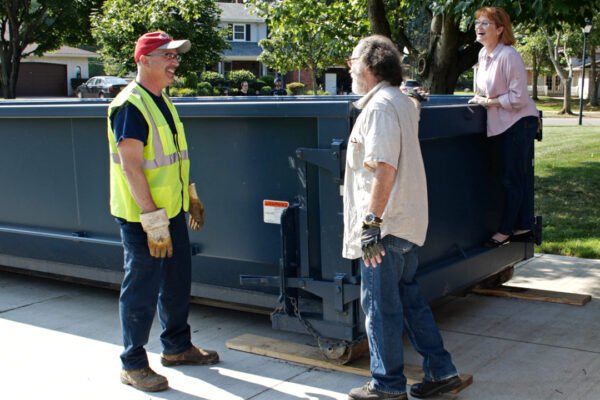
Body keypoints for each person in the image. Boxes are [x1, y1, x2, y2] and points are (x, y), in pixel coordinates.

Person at [343, 35, 461, 400]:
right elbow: (407, 111)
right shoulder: (401, 103)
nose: (348, 66)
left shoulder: (379, 108)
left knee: (380, 308)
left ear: (367, 66)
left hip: (385, 228)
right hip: (406, 224)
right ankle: (441, 371)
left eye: (352, 60)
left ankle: (387, 385)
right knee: (409, 300)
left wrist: (370, 224)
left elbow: (385, 168)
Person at [107, 31, 219, 393]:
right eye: (166, 56)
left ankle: (177, 347)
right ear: (143, 60)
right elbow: (132, 167)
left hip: (169, 212)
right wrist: (152, 219)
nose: (175, 62)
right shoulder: (131, 106)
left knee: (175, 282)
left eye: (175, 56)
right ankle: (133, 363)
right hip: (144, 218)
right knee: (140, 288)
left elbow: (174, 160)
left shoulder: (162, 102)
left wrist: (191, 196)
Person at [468, 7, 539, 247]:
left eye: (486, 23)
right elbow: (484, 90)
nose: (479, 27)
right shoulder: (482, 55)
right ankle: (523, 226)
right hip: (501, 123)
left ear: (500, 29)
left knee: (512, 178)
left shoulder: (509, 55)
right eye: (478, 22)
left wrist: (489, 102)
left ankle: (506, 230)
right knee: (512, 176)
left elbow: (518, 98)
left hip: (519, 122)